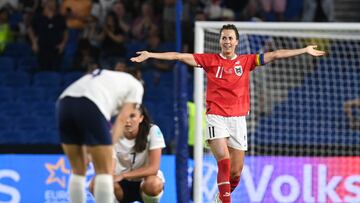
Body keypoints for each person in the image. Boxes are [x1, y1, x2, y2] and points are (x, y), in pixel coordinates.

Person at [130, 24, 325, 203]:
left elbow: (275, 55)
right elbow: (179, 56)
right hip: (216, 117)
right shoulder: (210, 61)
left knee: (236, 173)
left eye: (230, 38)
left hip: (238, 120)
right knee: (223, 159)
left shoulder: (247, 61)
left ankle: (220, 197)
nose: (227, 41)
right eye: (224, 38)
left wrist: (304, 50)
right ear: (220, 41)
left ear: (236, 41)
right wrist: (151, 54)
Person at [56, 68, 144, 203]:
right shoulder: (136, 86)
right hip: (91, 105)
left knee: (78, 170)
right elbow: (122, 119)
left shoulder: (107, 77)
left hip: (64, 104)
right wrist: (110, 146)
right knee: (105, 172)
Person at [89, 105, 166, 203]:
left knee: (153, 184)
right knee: (96, 183)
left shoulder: (153, 130)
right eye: (124, 116)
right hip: (121, 185)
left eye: (132, 116)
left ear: (141, 118)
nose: (128, 121)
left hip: (145, 183)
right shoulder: (112, 134)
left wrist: (124, 175)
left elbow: (154, 168)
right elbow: (110, 167)